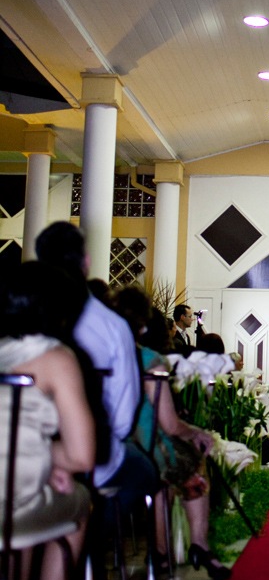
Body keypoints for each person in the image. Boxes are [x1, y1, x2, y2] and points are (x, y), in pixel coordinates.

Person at [0, 263, 95, 580]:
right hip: (13, 502)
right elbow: (83, 455)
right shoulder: (56, 358)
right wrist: (56, 460)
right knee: (77, 505)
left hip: (18, 492)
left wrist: (47, 461)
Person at [35, 222, 157, 520]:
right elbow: (124, 416)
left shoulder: (25, 319)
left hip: (18, 458)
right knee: (146, 472)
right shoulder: (111, 326)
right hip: (91, 462)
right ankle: (89, 543)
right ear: (87, 262)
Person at [113, 295, 231, 580]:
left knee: (164, 480)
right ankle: (199, 545)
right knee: (190, 465)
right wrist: (197, 433)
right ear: (143, 327)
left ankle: (160, 551)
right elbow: (169, 424)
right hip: (143, 446)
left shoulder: (103, 355)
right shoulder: (149, 360)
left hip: (108, 448)